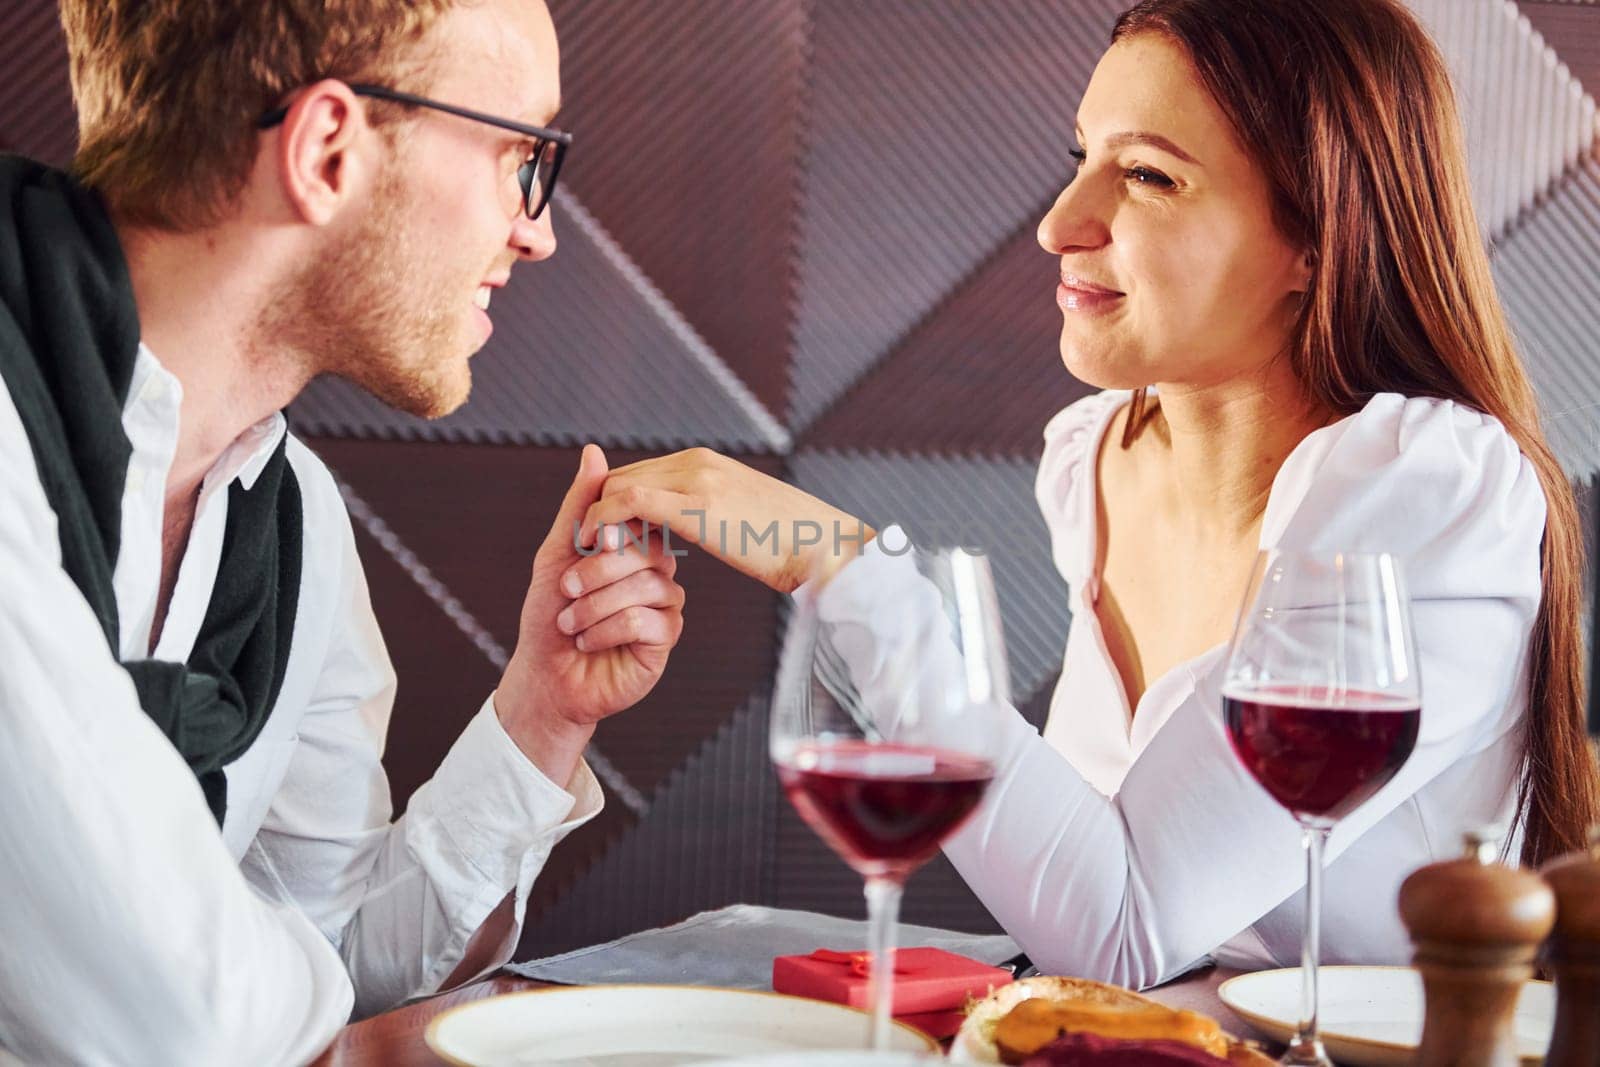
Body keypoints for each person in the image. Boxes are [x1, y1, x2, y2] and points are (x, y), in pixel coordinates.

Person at [583, 0, 1600, 987]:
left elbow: (1119, 925)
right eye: (1083, 160)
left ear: (1316, 239)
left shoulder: (1424, 490)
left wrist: (841, 566)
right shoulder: (1098, 457)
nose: (1061, 223)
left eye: (1149, 175)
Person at [0, 1, 688, 1062]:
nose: (538, 227)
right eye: (520, 153)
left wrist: (543, 712)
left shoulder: (288, 519)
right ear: (326, 150)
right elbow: (183, 1019)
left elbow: (330, 952)